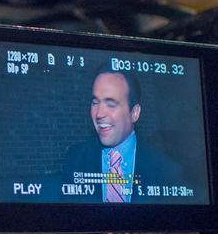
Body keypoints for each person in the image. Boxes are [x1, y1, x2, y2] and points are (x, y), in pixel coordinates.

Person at [62, 68, 183, 203]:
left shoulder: (166, 170)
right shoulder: (75, 158)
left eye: (111, 104)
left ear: (134, 113)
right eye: (95, 102)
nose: (99, 114)